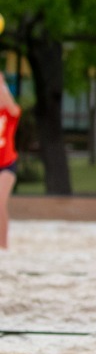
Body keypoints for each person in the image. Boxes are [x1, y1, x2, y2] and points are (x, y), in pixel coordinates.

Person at [0, 72, 19, 252]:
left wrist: (1, 84)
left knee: (0, 202)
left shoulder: (8, 113)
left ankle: (3, 244)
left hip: (6, 164)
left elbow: (12, 107)